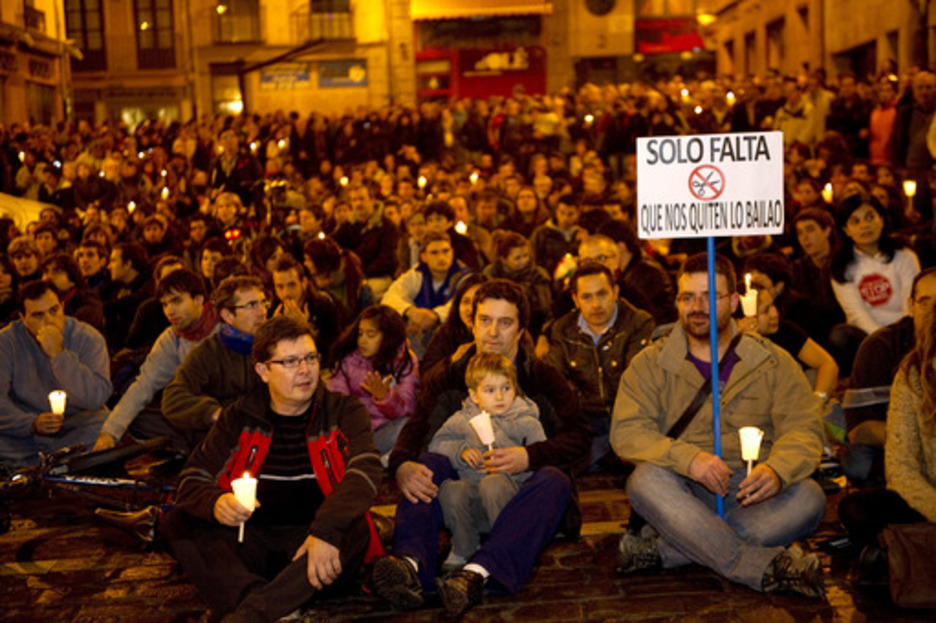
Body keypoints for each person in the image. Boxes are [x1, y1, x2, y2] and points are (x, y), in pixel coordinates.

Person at [611, 253, 827, 598]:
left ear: (735, 300)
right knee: (644, 480)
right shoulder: (650, 363)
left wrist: (777, 471)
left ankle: (666, 552)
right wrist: (689, 459)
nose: (697, 306)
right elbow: (627, 432)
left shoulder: (772, 361)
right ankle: (764, 566)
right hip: (682, 491)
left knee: (810, 497)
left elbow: (804, 428)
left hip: (753, 491)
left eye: (710, 296)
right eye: (687, 297)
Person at [372, 280, 589, 617]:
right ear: (471, 324)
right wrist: (401, 465)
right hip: (463, 490)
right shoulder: (452, 374)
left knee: (555, 480)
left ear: (520, 329)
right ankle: (412, 566)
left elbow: (580, 437)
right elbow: (417, 427)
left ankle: (477, 573)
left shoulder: (542, 377)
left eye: (505, 323)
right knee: (426, 463)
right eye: (485, 320)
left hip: (521, 497)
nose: (493, 332)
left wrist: (529, 455)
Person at [159, 316, 384, 622]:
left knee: (355, 525)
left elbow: (365, 471)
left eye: (310, 358)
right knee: (177, 522)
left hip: (317, 546)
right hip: (253, 540)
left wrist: (326, 531)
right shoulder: (239, 416)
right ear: (263, 370)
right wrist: (216, 503)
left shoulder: (343, 410)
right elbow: (191, 479)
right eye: (290, 362)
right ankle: (271, 604)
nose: (305, 370)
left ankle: (251, 613)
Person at [428, 352, 546, 569]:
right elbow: (437, 444)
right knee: (451, 489)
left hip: (510, 496)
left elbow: (542, 460)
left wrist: (519, 463)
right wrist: (461, 452)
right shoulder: (462, 420)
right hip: (475, 501)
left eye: (506, 388)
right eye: (490, 390)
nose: (500, 397)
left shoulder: (526, 421)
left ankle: (504, 548)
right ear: (474, 395)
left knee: (492, 484)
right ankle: (464, 547)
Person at [93, 269, 218, 453]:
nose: (170, 311)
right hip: (192, 416)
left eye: (176, 301)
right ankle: (193, 450)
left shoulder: (225, 327)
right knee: (137, 417)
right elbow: (144, 384)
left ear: (198, 300)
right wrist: (110, 433)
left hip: (223, 413)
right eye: (165, 304)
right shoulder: (171, 338)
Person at [545, 263, 654, 470]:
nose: (596, 304)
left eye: (602, 294)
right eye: (587, 297)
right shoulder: (563, 329)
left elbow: (638, 382)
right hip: (585, 419)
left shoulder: (638, 323)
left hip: (628, 416)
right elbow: (554, 382)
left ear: (615, 292)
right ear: (575, 300)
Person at [841, 268, 936, 487]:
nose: (933, 312)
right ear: (910, 306)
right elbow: (858, 429)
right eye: (924, 302)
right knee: (856, 462)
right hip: (895, 442)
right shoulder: (880, 346)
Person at [0, 281, 111, 468]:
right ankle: (58, 464)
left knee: (104, 424)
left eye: (54, 311)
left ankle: (46, 465)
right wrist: (30, 423)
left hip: (76, 423)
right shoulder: (6, 342)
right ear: (22, 317)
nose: (49, 321)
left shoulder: (87, 337)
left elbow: (96, 397)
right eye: (38, 315)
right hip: (26, 429)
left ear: (63, 306)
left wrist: (59, 355)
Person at [161, 275, 268, 445]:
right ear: (227, 315)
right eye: (251, 306)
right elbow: (173, 398)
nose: (262, 312)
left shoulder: (276, 347)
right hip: (226, 443)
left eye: (263, 303)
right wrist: (213, 413)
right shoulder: (208, 353)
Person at [326, 305, 420, 461]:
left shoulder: (404, 361)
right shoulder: (348, 360)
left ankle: (381, 461)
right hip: (354, 436)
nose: (362, 340)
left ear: (388, 336)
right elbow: (336, 404)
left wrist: (385, 398)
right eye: (360, 334)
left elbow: (408, 407)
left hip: (385, 432)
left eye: (371, 335)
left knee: (408, 426)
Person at [830, 193, 920, 339]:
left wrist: (901, 335)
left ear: (882, 220)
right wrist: (881, 339)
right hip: (867, 337)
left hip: (906, 331)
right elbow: (856, 314)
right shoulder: (840, 267)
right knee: (839, 335)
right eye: (855, 221)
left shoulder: (904, 256)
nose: (864, 225)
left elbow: (911, 304)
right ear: (846, 230)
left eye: (870, 217)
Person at [382, 231, 470, 358]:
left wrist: (434, 315)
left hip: (454, 334)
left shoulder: (464, 275)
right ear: (423, 256)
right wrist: (411, 312)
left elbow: (463, 304)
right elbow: (390, 296)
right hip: (417, 330)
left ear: (452, 252)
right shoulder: (416, 273)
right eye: (434, 253)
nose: (441, 257)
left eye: (446, 251)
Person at [270, 256, 341, 356]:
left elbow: (335, 349)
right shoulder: (274, 309)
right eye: (280, 287)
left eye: (292, 285)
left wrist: (306, 329)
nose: (286, 293)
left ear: (303, 283)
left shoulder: (323, 305)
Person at [421, 273, 490, 373]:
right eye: (465, 302)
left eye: (476, 302)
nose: (470, 309)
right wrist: (452, 361)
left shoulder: (495, 335)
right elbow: (426, 376)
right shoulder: (446, 332)